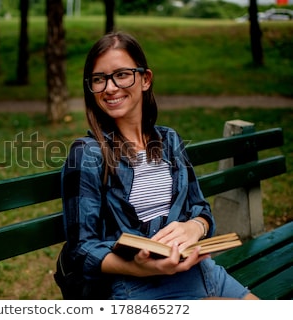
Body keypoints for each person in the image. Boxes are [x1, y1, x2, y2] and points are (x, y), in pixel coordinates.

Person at [60, 31, 258, 300]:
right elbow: (82, 250)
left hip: (204, 271)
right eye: (99, 79)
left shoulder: (169, 139)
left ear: (145, 79)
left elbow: (200, 208)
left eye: (121, 74)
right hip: (140, 287)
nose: (109, 87)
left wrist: (194, 228)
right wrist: (141, 268)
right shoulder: (87, 153)